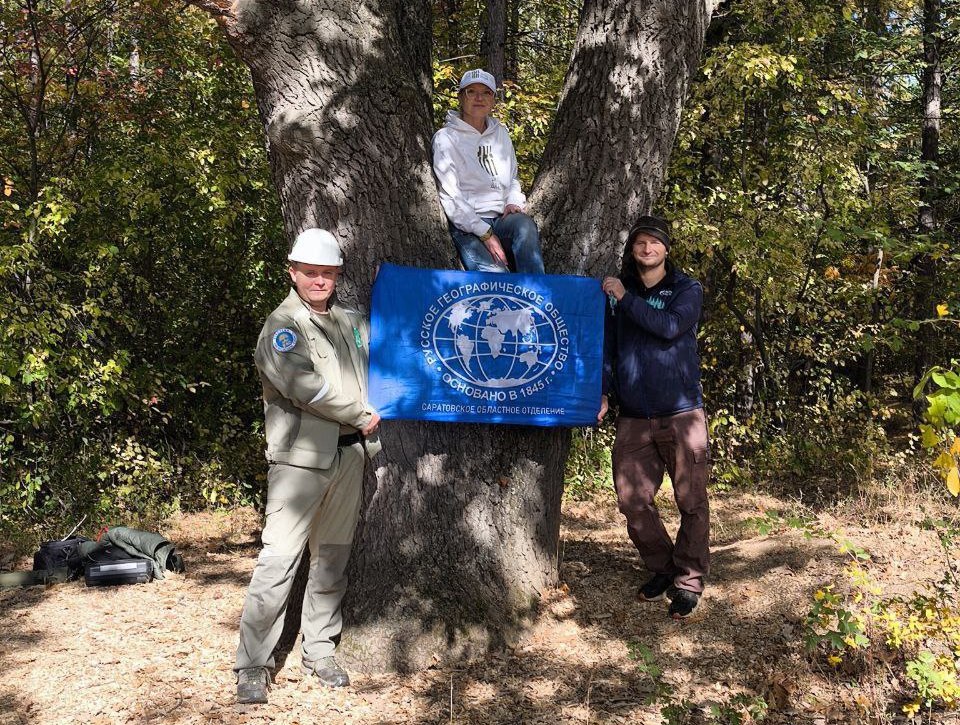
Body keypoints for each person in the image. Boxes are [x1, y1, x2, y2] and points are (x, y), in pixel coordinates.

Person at [235, 228, 381, 704]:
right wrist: (362, 415)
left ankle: (319, 651)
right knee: (277, 563)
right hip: (300, 463)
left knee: (331, 560)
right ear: (293, 273)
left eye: (328, 273)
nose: (320, 281)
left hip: (348, 456)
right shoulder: (283, 328)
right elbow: (307, 388)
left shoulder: (349, 322)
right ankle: (253, 665)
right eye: (311, 273)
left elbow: (391, 344)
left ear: (338, 275)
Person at [598, 215, 710, 620]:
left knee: (691, 501)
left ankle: (689, 581)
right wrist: (605, 392)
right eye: (640, 243)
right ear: (632, 250)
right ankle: (663, 568)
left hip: (681, 413)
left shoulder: (685, 289)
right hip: (634, 416)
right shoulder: (617, 298)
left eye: (655, 243)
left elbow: (669, 327)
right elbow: (610, 347)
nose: (647, 249)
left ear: (666, 249)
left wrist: (627, 298)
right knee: (632, 501)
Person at [432, 68, 545, 274]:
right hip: (469, 224)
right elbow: (451, 195)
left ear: (493, 100)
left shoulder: (500, 133)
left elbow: (512, 178)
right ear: (460, 97)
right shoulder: (446, 138)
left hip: (503, 219)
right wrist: (485, 234)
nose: (479, 98)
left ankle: (539, 294)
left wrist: (513, 201)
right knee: (496, 278)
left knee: (525, 227)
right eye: (471, 91)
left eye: (486, 93)